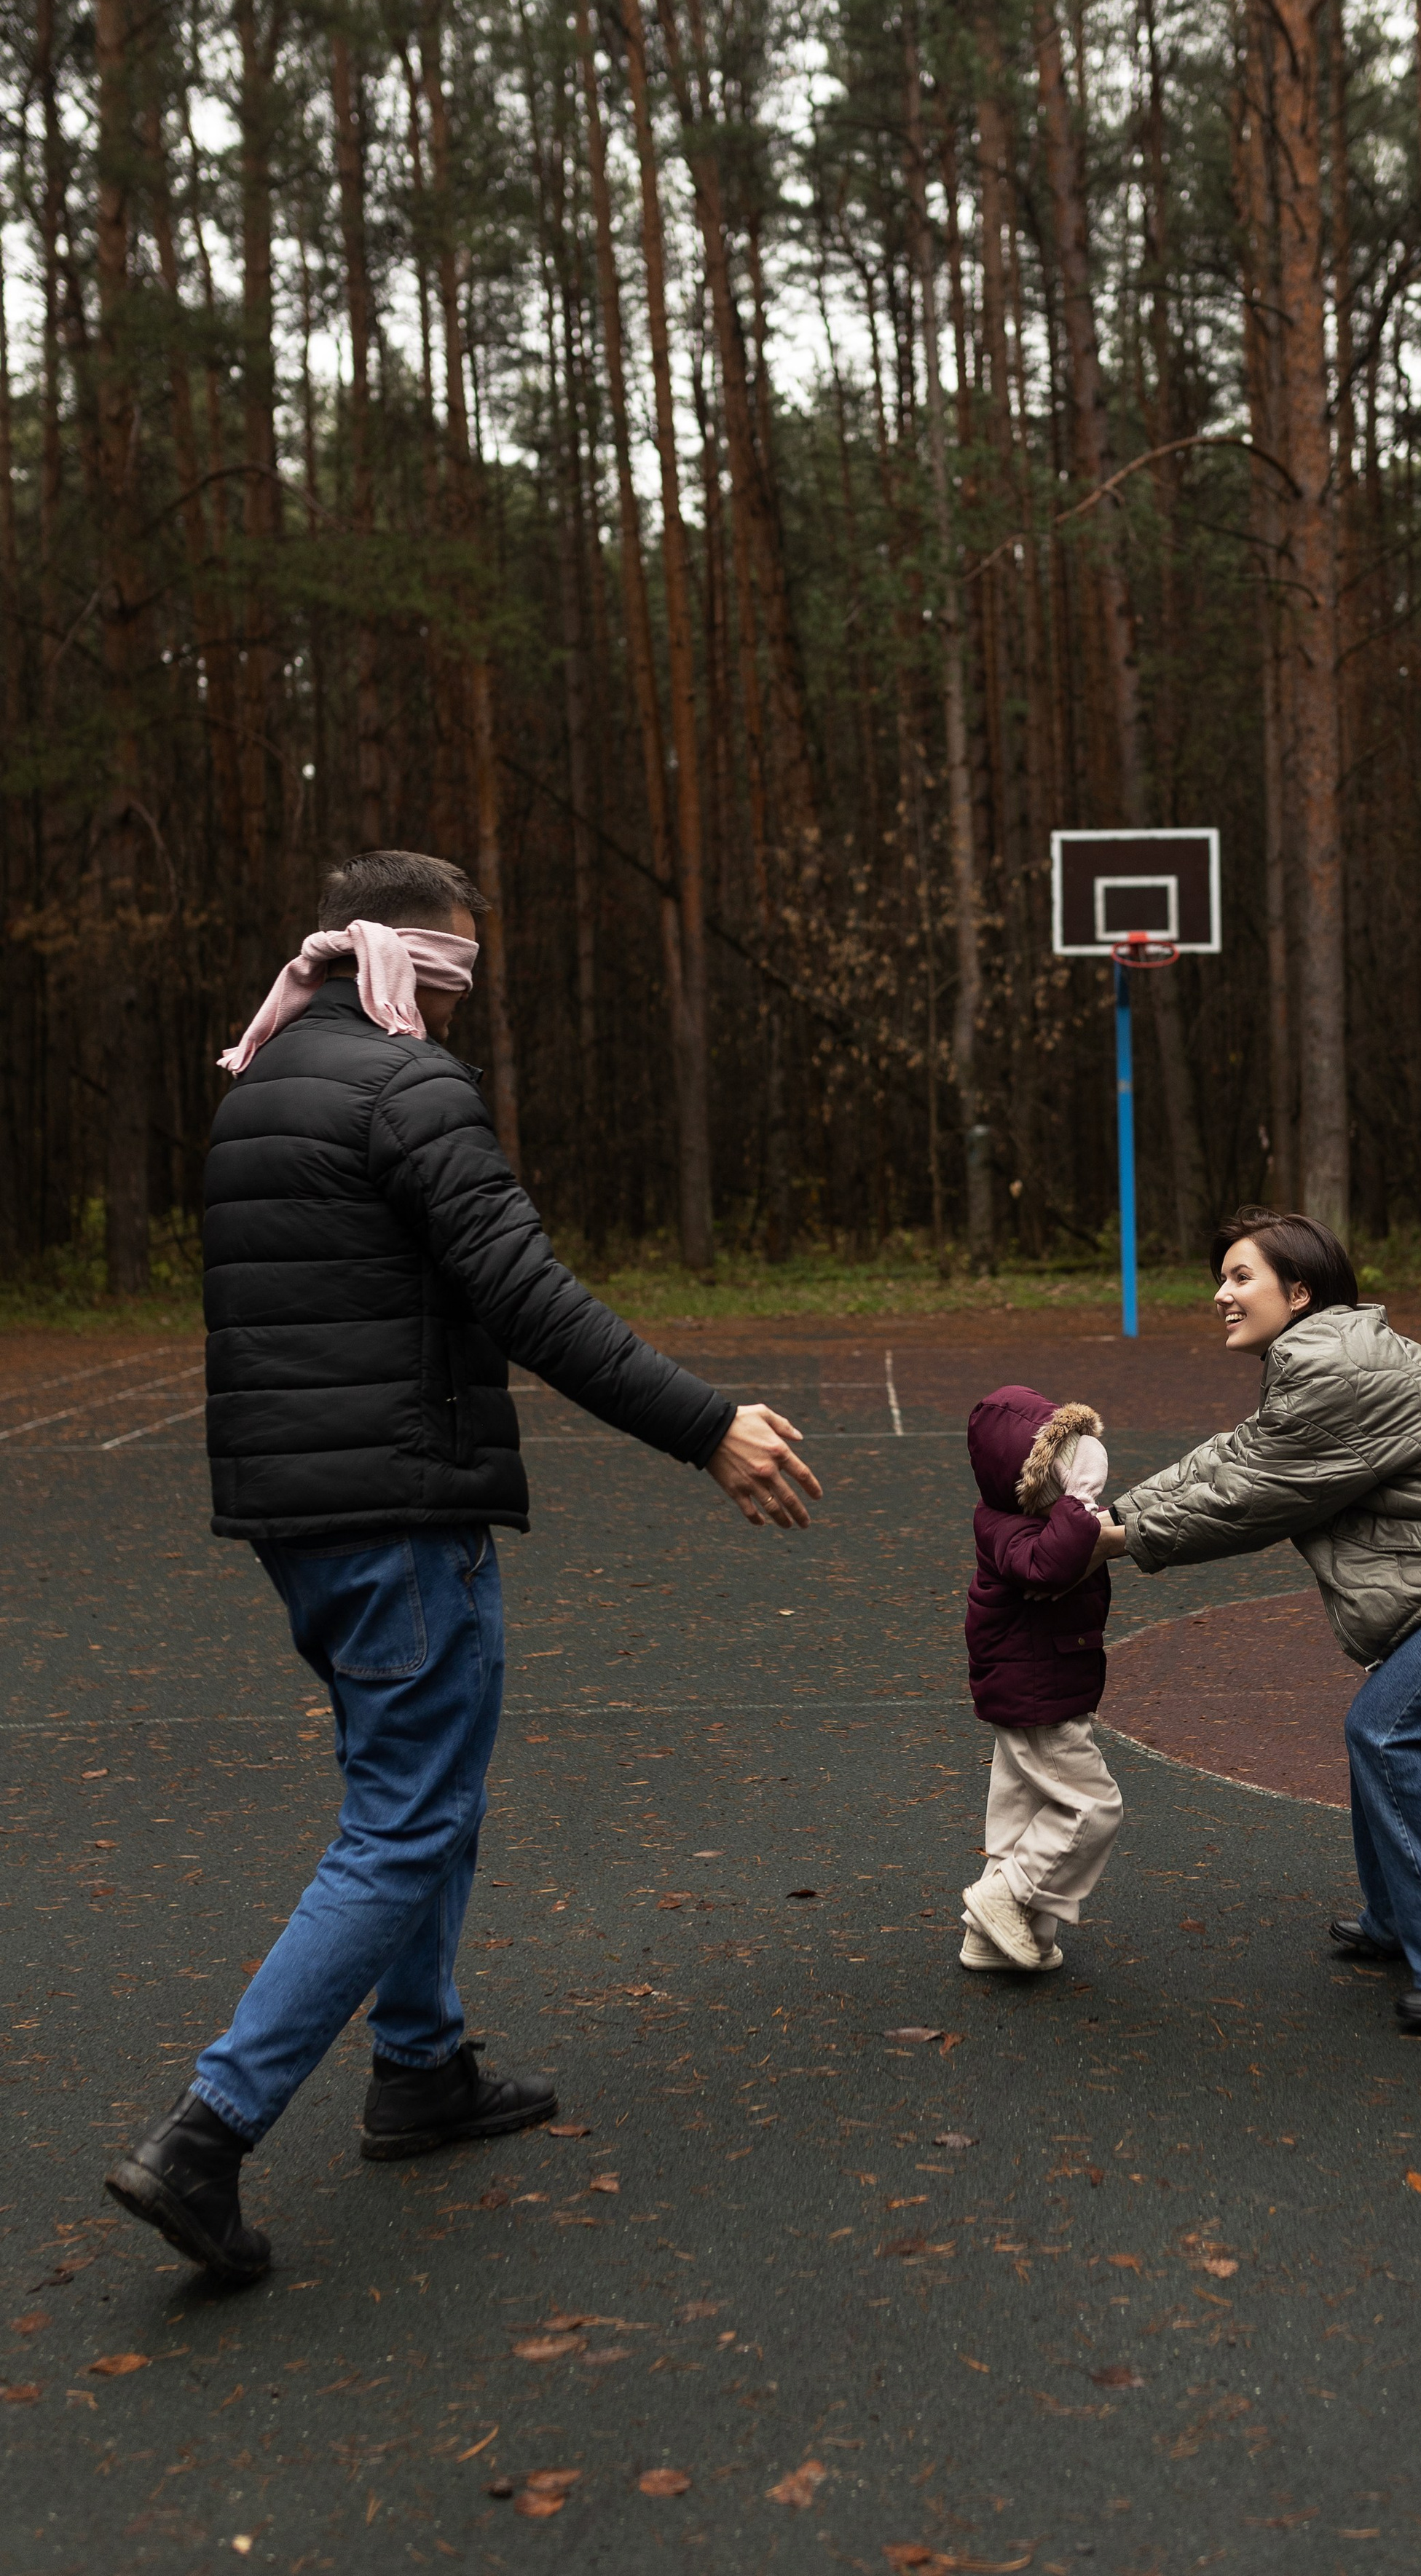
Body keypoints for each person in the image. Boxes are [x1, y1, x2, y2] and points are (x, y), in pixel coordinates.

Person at [106, 850, 821, 2281]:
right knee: (402, 1819)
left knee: (418, 1795)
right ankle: (206, 2134)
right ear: (421, 956)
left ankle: (420, 2067)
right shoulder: (408, 1083)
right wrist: (705, 1428)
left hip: (299, 1518)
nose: (467, 1000)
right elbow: (526, 1294)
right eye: (465, 971)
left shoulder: (258, 1087)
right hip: (398, 1515)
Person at [1099, 1206, 1421, 2032]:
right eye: (1223, 1277)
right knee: (1390, 1725)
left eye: (1242, 1278)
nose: (1220, 1294)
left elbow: (1255, 1496)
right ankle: (1409, 1918)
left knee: (1394, 1732)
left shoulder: (1331, 1363)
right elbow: (1237, 1454)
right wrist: (1113, 1513)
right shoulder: (1321, 1352)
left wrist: (1119, 1544)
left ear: (1299, 1291)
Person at [959, 1387, 1125, 1975]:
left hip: (1039, 1684)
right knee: (1091, 1806)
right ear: (1024, 1476)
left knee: (1022, 1812)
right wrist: (1078, 1504)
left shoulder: (1028, 1517)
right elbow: (1048, 1566)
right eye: (1065, 1462)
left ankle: (990, 1938)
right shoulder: (1007, 1527)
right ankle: (1007, 1895)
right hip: (1036, 1693)